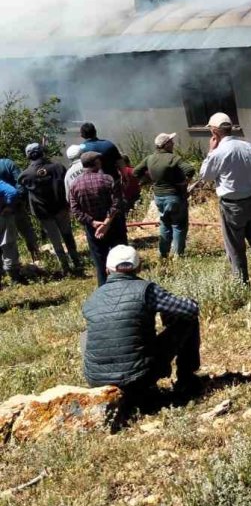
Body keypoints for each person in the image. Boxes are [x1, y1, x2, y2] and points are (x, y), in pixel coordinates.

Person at [81, 244, 202, 401]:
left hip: (96, 381)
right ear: (139, 268)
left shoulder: (93, 298)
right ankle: (186, 379)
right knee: (187, 319)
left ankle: (103, 378)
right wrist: (168, 314)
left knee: (86, 334)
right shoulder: (146, 290)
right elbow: (190, 309)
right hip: (139, 377)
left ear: (107, 270)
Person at [197, 113, 251, 287]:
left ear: (215, 132)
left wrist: (210, 151)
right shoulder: (248, 147)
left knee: (235, 247)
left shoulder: (218, 153)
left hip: (233, 206)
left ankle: (242, 284)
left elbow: (205, 176)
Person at [19, 142, 83, 276]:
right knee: (68, 235)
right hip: (60, 208)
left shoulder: (25, 176)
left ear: (28, 156)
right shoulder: (58, 167)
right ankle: (77, 262)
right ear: (42, 152)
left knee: (55, 240)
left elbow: (22, 194)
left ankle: (65, 267)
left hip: (43, 213)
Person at [68, 151, 128, 285]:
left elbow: (75, 210)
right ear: (95, 163)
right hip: (114, 225)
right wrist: (107, 222)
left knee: (100, 261)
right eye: (99, 161)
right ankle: (125, 284)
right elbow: (117, 203)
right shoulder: (108, 179)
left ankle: (104, 288)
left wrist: (92, 222)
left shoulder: (75, 185)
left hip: (93, 229)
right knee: (121, 257)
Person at [134, 133, 195, 258]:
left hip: (159, 197)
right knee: (178, 225)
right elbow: (190, 170)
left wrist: (148, 179)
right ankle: (178, 255)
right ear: (165, 144)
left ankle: (163, 253)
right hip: (175, 197)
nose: (173, 143)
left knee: (165, 224)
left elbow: (135, 172)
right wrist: (184, 182)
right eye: (171, 141)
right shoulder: (174, 158)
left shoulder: (149, 158)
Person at [0, 153, 41, 262]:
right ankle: (36, 257)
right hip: (15, 205)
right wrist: (19, 200)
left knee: (5, 237)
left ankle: (10, 265)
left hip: (2, 210)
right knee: (26, 230)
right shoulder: (7, 163)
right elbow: (20, 182)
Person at [0, 176, 25, 287]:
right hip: (2, 216)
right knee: (8, 245)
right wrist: (9, 206)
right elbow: (12, 192)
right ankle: (15, 277)